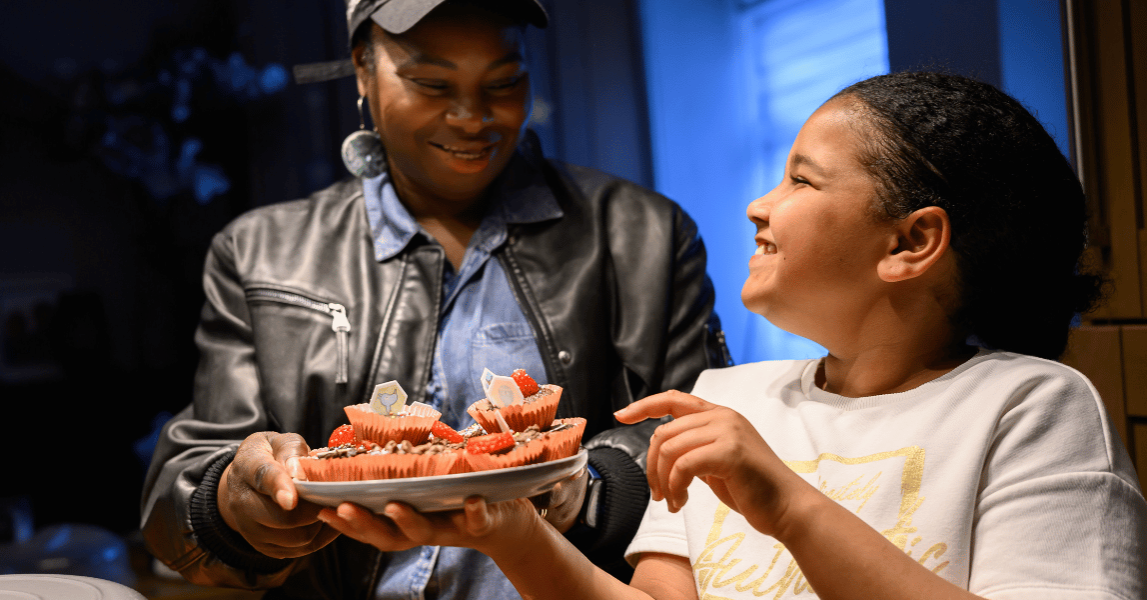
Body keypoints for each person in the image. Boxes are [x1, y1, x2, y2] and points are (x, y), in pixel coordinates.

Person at [316, 71, 1147, 599]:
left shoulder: (1029, 407)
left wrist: (785, 504)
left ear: (909, 243)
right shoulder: (729, 402)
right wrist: (505, 528)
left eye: (800, 179)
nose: (759, 205)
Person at [139, 0, 730, 598]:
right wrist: (237, 503)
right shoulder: (262, 253)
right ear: (363, 72)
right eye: (430, 83)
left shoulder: (643, 234)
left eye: (504, 81)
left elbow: (706, 436)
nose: (472, 118)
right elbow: (179, 496)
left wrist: (588, 486)